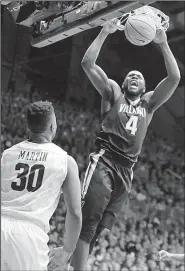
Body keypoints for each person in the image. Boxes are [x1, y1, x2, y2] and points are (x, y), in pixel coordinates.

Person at [70, 19, 181, 271]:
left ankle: (70, 263)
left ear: (144, 87)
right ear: (123, 83)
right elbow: (87, 64)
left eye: (139, 77)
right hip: (105, 161)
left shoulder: (149, 104)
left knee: (98, 231)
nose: (134, 76)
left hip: (126, 171)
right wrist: (104, 32)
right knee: (87, 224)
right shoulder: (112, 93)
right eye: (130, 75)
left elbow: (174, 77)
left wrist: (163, 44)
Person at [1, 101, 82, 271]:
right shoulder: (65, 160)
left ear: (27, 127)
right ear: (53, 126)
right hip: (28, 235)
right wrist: (68, 250)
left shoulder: (7, 155)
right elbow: (75, 213)